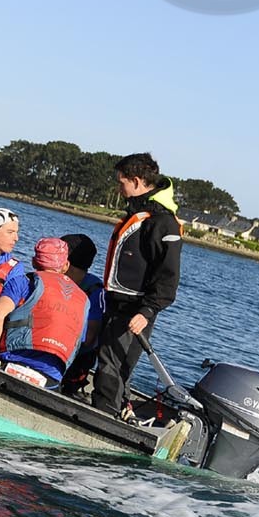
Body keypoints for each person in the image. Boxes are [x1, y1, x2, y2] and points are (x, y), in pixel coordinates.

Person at [91, 153, 182, 415]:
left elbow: (168, 277)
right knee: (111, 362)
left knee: (113, 365)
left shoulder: (163, 222)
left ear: (137, 181)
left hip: (135, 310)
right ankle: (117, 409)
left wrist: (147, 311)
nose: (118, 188)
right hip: (116, 304)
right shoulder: (139, 213)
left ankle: (104, 417)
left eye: (121, 183)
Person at [0, 237, 91, 389]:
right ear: (66, 265)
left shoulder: (23, 282)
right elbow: (82, 341)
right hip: (52, 377)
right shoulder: (84, 300)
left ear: (33, 262)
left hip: (12, 361)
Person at [58, 233, 107, 397]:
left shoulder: (95, 291)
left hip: (76, 357)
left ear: (67, 262)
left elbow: (89, 339)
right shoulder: (54, 279)